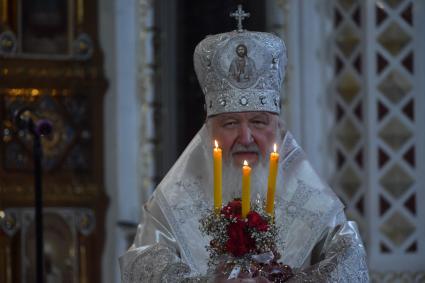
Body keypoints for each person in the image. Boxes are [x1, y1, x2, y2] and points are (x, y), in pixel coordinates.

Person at [120, 9, 369, 282]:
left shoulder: (313, 201)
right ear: (208, 130)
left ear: (277, 126)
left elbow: (349, 267)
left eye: (259, 122)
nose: (246, 137)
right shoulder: (171, 205)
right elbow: (142, 269)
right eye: (229, 124)